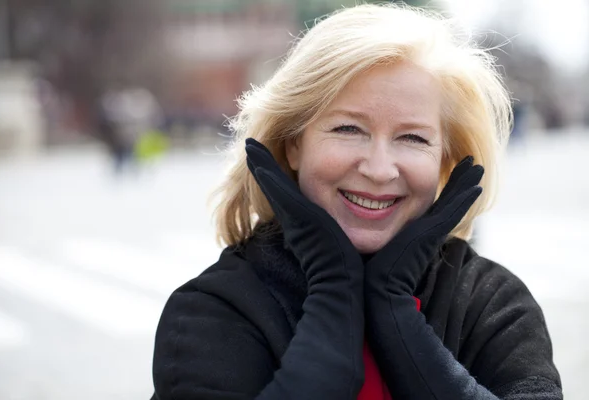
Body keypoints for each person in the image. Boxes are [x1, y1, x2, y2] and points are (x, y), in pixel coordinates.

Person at [151, 4, 562, 399]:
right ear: (294, 144)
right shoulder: (215, 308)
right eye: (349, 129)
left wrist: (395, 310)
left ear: (446, 161)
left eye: (413, 137)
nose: (380, 169)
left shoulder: (493, 304)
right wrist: (333, 289)